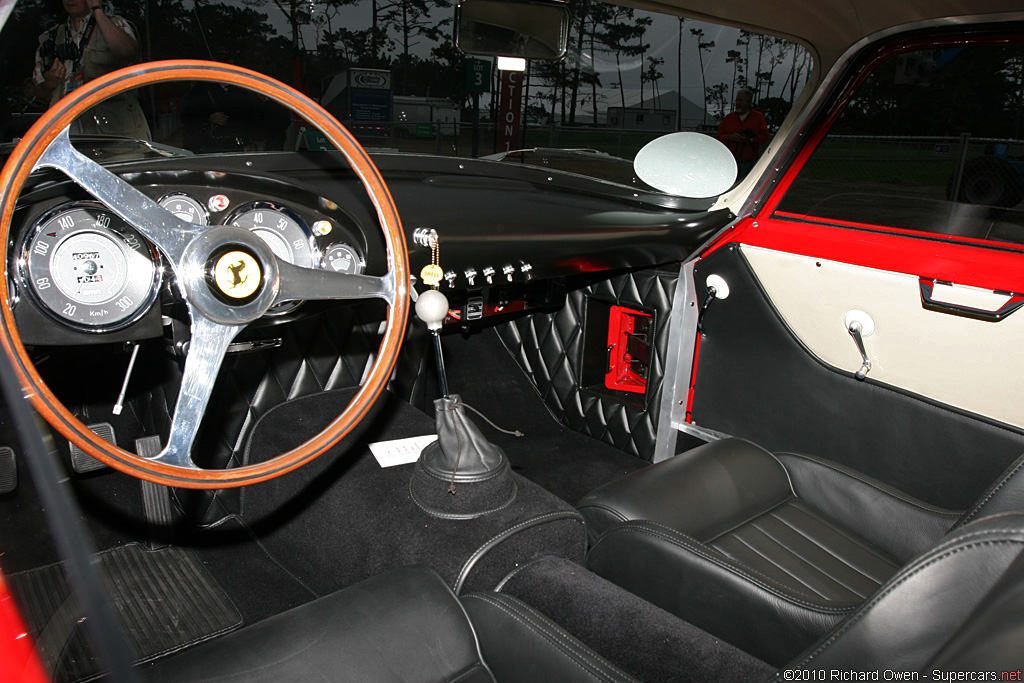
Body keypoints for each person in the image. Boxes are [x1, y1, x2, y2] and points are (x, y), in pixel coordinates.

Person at [32, 0, 151, 139]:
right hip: (68, 134)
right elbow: (39, 94)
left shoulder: (116, 25)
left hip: (117, 137)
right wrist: (48, 85)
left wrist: (97, 10)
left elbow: (127, 51)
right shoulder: (50, 38)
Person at [717, 88, 769, 179]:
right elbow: (719, 136)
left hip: (748, 162)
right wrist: (730, 137)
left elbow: (765, 136)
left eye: (740, 100)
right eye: (736, 100)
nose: (737, 103)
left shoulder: (758, 118)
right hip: (729, 161)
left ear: (748, 103)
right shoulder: (729, 118)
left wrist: (750, 140)